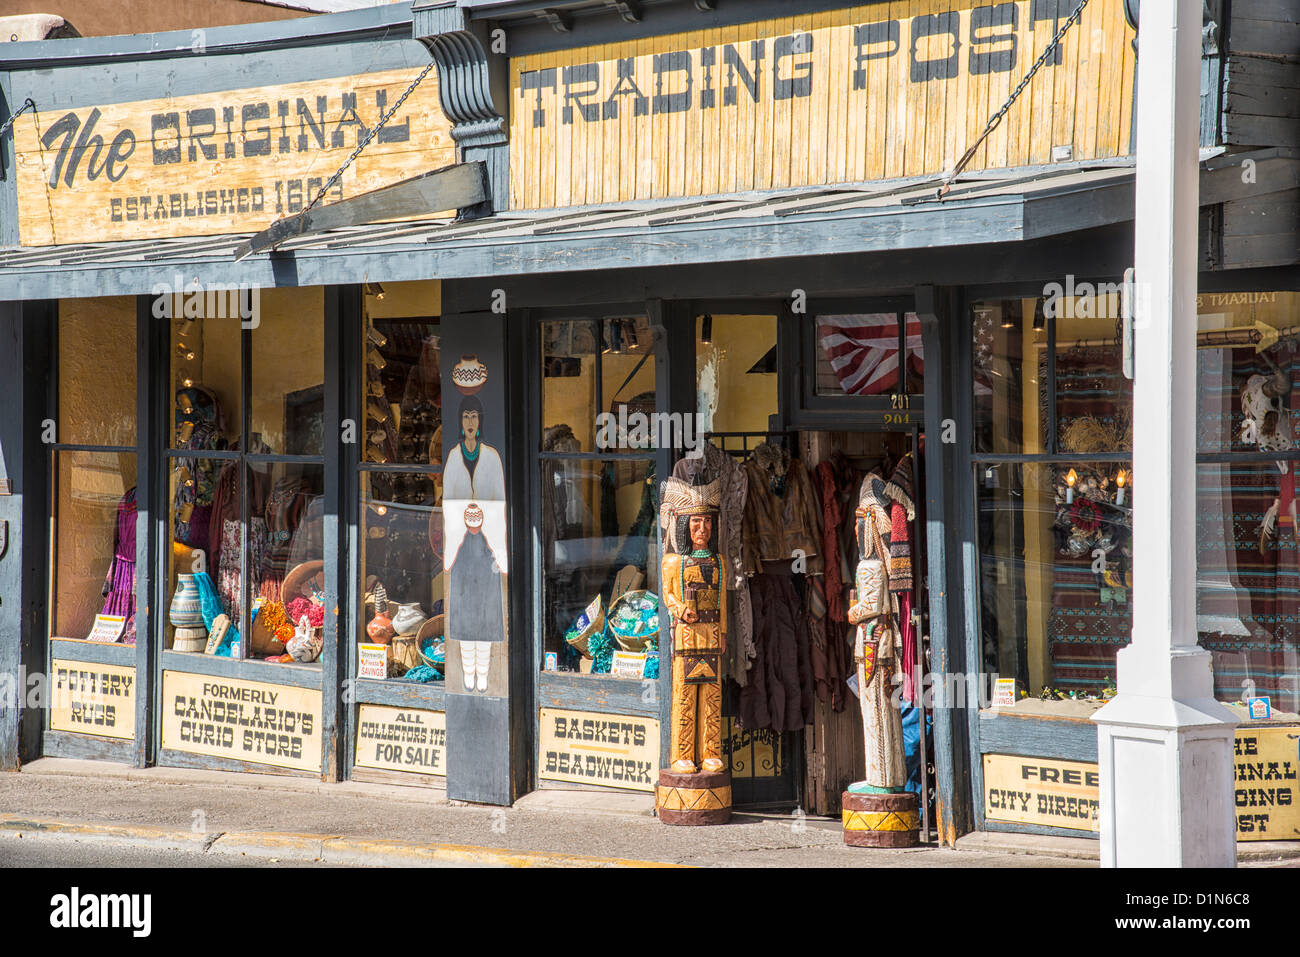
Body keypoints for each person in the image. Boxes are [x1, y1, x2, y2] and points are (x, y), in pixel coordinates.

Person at [660, 478, 726, 774]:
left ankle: (711, 751)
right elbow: (667, 595)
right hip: (686, 637)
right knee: (685, 698)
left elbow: (722, 600)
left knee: (712, 696)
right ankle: (681, 753)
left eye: (708, 523)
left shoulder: (719, 561)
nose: (703, 530)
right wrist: (681, 609)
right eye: (696, 522)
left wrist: (723, 631)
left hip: (711, 636)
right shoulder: (674, 562)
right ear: (684, 525)